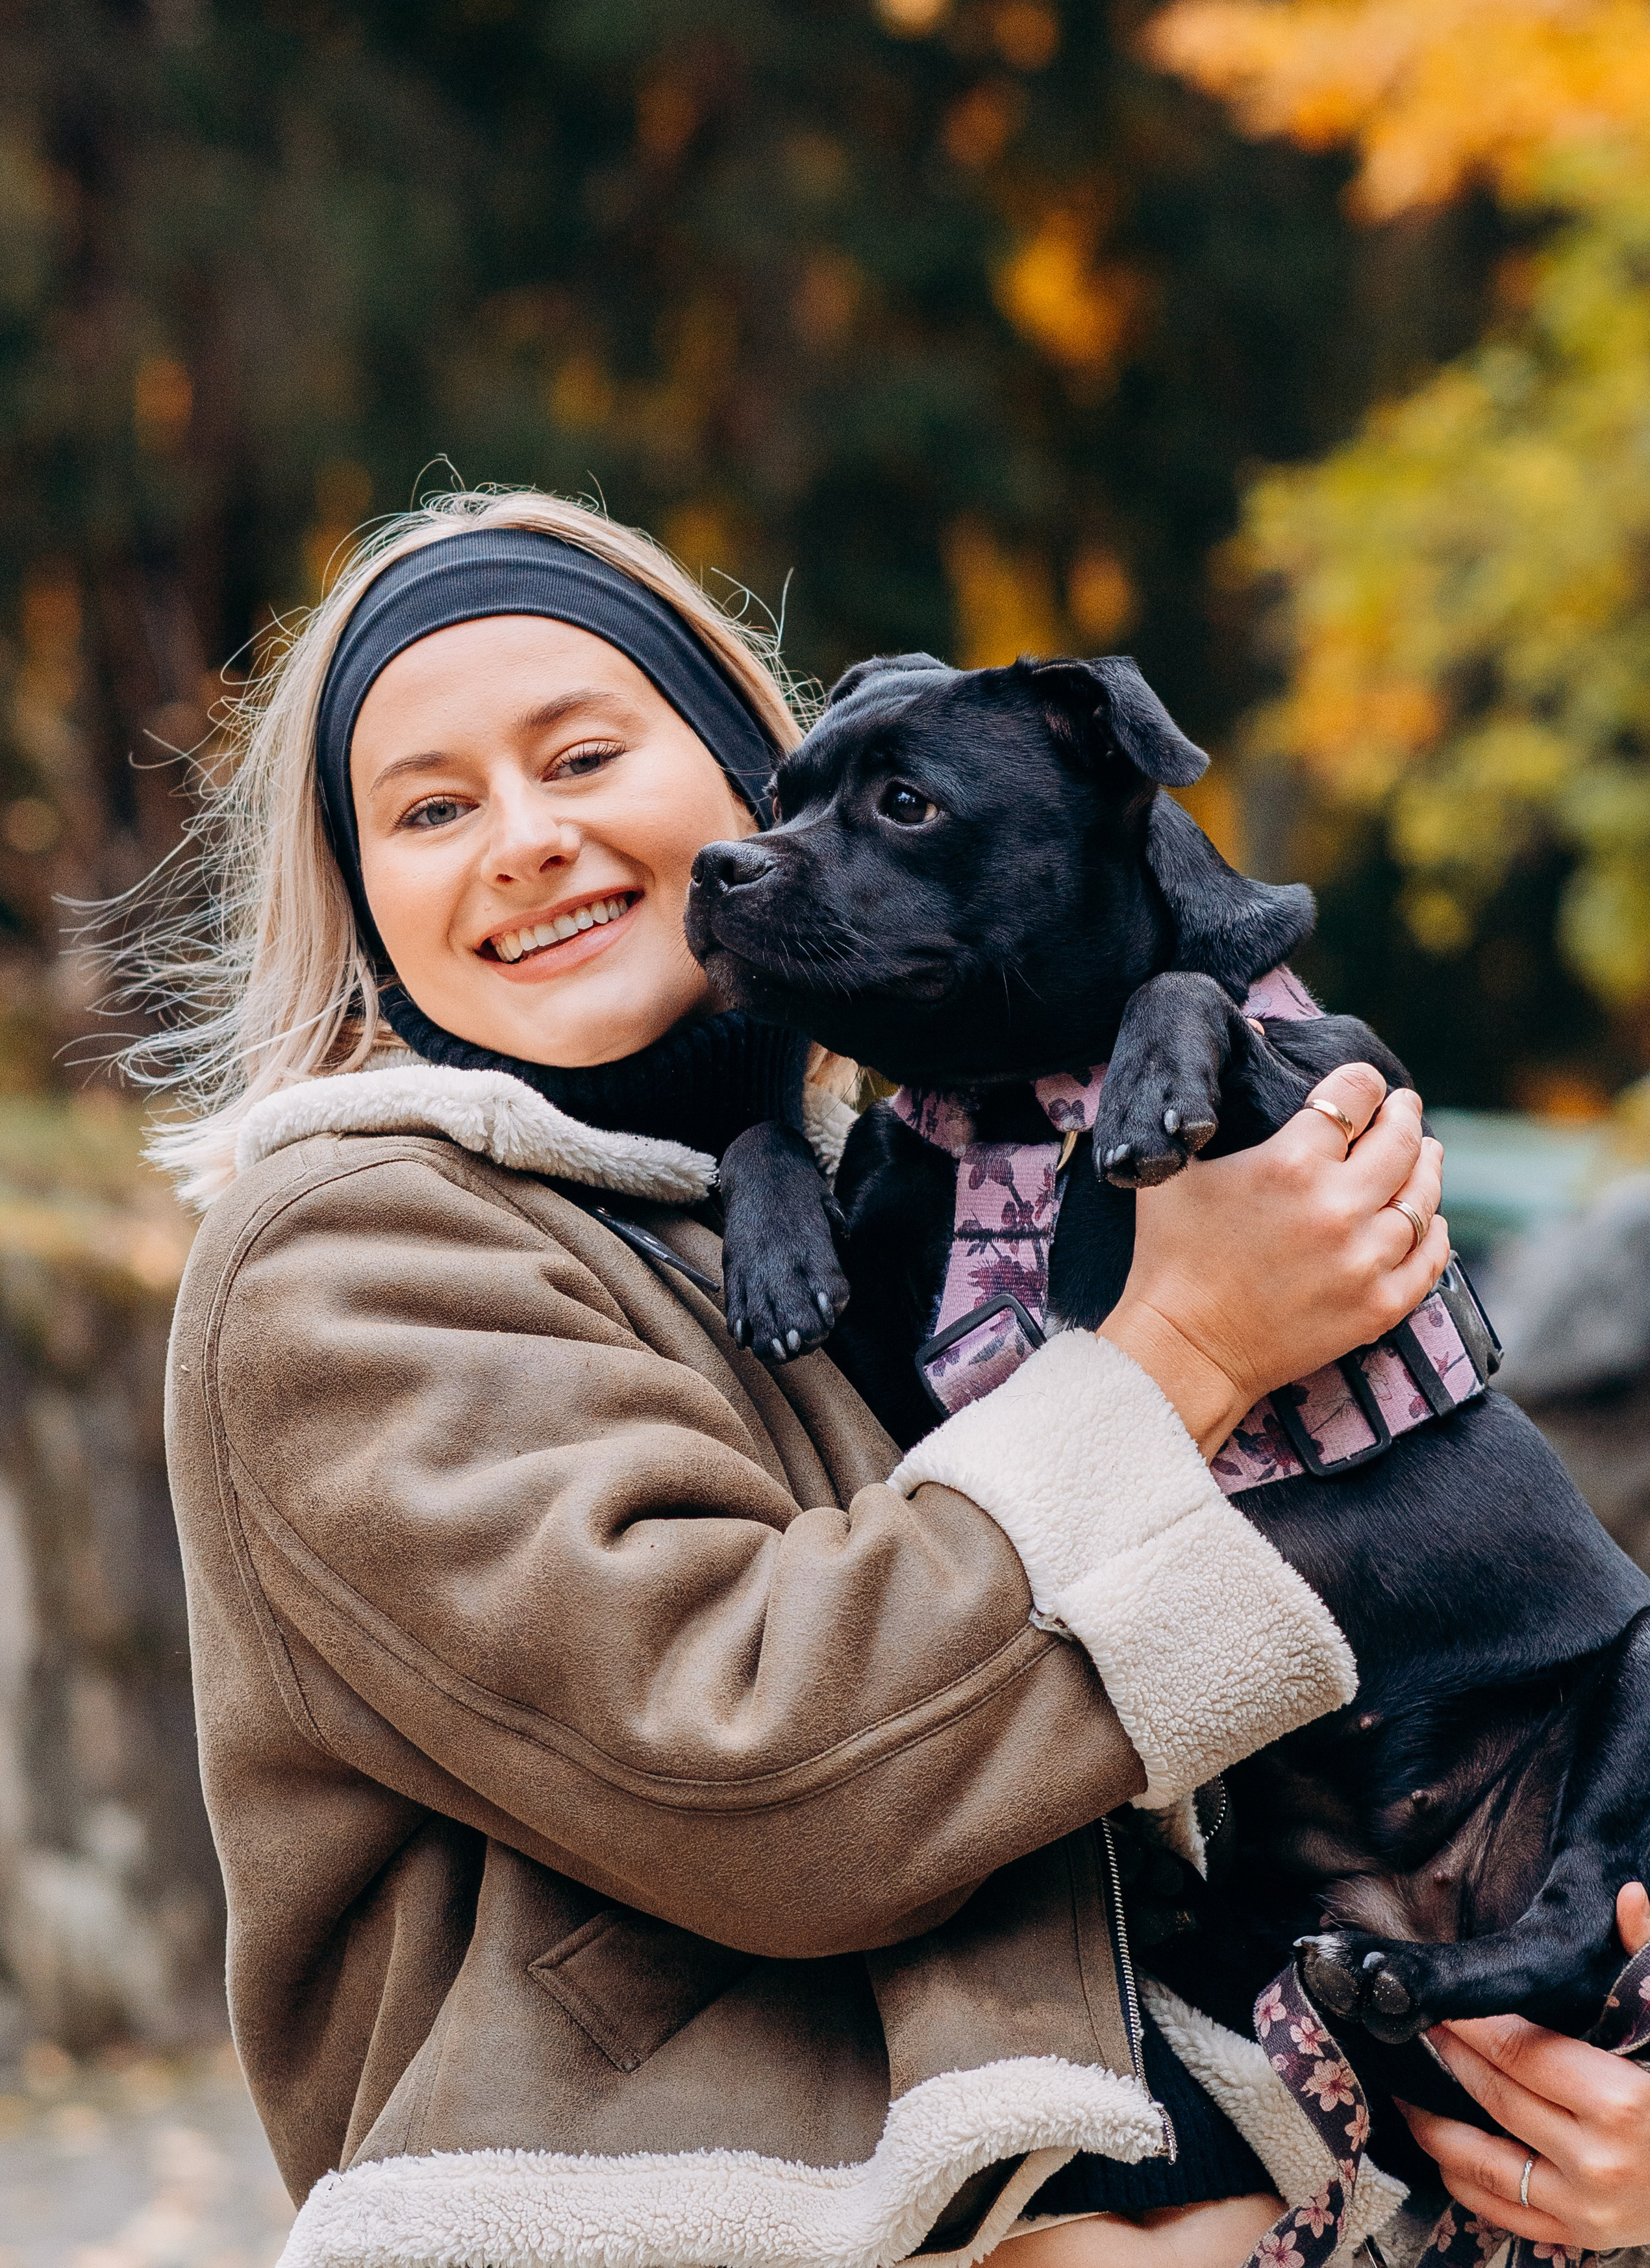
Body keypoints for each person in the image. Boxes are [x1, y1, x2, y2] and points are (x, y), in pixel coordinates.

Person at [138, 489, 1648, 2268]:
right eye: (432, 807)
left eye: (585, 752)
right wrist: (1187, 1355)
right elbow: (764, 1768)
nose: (526, 838)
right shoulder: (350, 1260)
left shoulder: (887, 1209)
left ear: (736, 782)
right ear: (368, 905)